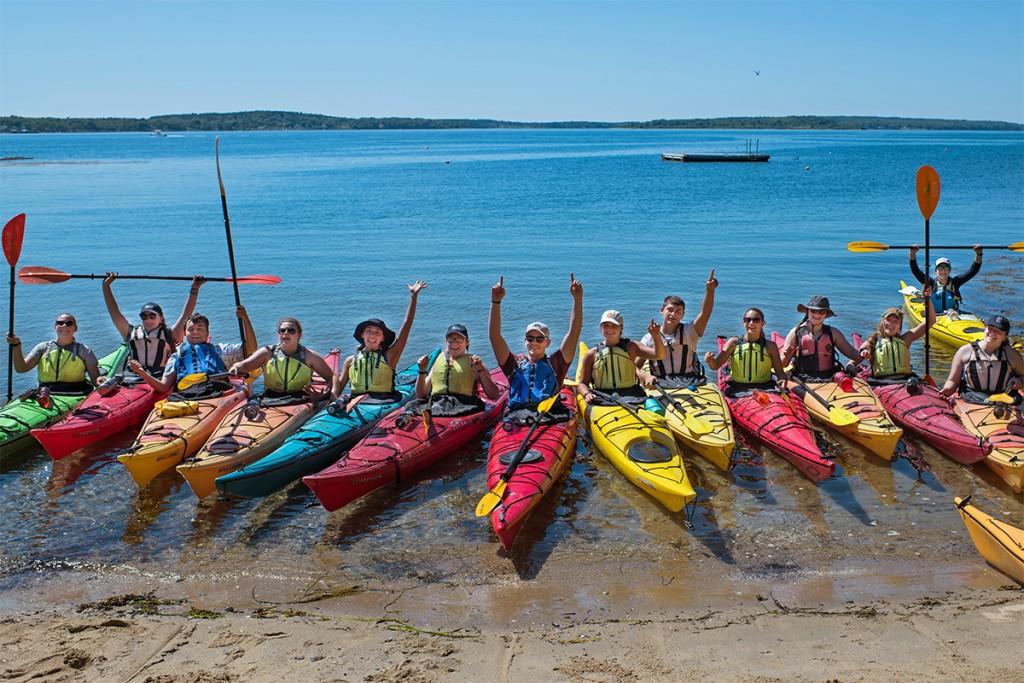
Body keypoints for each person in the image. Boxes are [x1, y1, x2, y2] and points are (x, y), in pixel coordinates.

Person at [489, 273, 583, 421]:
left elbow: (574, 333)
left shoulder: (557, 364)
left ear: (548, 343)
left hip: (549, 416)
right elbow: (494, 336)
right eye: (530, 338)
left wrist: (577, 299)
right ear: (525, 340)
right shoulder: (513, 365)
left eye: (539, 339)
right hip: (517, 417)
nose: (534, 342)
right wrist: (496, 302)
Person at [128, 306, 256, 397]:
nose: (195, 332)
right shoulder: (176, 356)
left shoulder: (220, 351)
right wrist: (141, 372)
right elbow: (163, 387)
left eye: (200, 328)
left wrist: (245, 319)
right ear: (185, 333)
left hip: (218, 393)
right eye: (191, 329)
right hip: (188, 396)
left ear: (207, 333)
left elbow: (251, 348)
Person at [335, 280, 426, 400]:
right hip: (356, 403)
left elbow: (406, 325)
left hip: (383, 402)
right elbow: (337, 392)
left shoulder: (390, 356)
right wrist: (322, 398)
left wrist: (413, 297)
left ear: (383, 338)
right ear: (362, 335)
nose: (372, 335)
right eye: (368, 331)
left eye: (377, 332)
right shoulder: (350, 361)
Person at [103, 272, 205, 375]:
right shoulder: (131, 332)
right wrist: (106, 287)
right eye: (144, 316)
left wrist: (194, 289)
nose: (148, 320)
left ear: (161, 318)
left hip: (160, 378)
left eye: (152, 316)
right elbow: (114, 312)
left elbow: (186, 314)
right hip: (133, 377)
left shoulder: (170, 335)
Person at [227, 317, 335, 401]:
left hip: (301, 398)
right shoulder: (267, 352)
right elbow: (245, 365)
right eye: (282, 330)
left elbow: (332, 378)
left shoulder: (310, 356)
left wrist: (324, 395)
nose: (286, 333)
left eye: (291, 331)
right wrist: (236, 367)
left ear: (299, 335)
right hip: (271, 397)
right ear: (279, 334)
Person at [640, 269, 717, 386]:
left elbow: (705, 313)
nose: (673, 314)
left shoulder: (689, 332)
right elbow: (634, 366)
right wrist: (645, 376)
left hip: (689, 381)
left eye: (678, 312)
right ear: (662, 311)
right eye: (670, 310)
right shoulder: (649, 337)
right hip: (660, 382)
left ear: (683, 315)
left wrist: (710, 290)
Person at [577, 310, 663, 404]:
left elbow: (659, 355)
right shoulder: (591, 354)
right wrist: (586, 394)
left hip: (633, 394)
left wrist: (656, 336)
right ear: (600, 328)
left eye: (614, 325)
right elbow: (582, 384)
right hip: (603, 396)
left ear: (621, 327)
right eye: (605, 325)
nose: (609, 329)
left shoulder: (631, 347)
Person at [414, 324, 499, 417]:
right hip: (436, 405)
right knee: (412, 406)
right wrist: (421, 371)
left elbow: (494, 395)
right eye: (451, 339)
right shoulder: (439, 359)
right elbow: (421, 395)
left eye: (459, 339)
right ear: (446, 342)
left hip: (463, 406)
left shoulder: (474, 362)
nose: (454, 343)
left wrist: (481, 371)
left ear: (467, 342)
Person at [7, 313, 101, 395]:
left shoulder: (84, 351)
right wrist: (17, 346)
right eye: (60, 323)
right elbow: (21, 369)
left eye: (69, 323)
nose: (64, 326)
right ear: (55, 327)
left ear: (75, 328)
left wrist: (100, 381)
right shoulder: (43, 348)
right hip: (46, 393)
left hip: (76, 393)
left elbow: (95, 379)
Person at [857, 286, 935, 384]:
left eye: (895, 321)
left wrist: (927, 299)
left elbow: (931, 321)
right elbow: (861, 350)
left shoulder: (906, 338)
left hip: (905, 380)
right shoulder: (874, 340)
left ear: (900, 325)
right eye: (888, 320)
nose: (891, 324)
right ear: (882, 322)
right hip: (881, 383)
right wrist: (864, 352)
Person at [940, 315, 1024, 404]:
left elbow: (1023, 377)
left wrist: (1020, 382)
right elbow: (953, 380)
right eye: (990, 328)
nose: (992, 333)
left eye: (997, 331)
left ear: (1004, 336)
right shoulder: (965, 351)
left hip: (1003, 399)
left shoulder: (1013, 356)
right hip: (972, 399)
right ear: (985, 329)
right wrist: (948, 389)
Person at [704, 307, 788, 395]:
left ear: (762, 323)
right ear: (743, 322)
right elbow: (715, 366)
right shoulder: (733, 343)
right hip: (737, 387)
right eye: (747, 320)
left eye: (756, 320)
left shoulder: (770, 346)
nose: (751, 323)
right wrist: (710, 360)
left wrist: (783, 380)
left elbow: (780, 373)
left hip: (765, 387)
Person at [779, 296, 861, 380]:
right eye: (813, 311)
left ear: (826, 314)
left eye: (821, 312)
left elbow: (855, 356)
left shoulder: (834, 333)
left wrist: (853, 362)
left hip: (829, 377)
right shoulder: (795, 333)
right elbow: (782, 364)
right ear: (808, 311)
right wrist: (786, 356)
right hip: (801, 378)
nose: (817, 315)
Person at [909, 244, 982, 315]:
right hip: (934, 316)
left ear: (950, 271)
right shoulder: (930, 283)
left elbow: (973, 271)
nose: (943, 271)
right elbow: (915, 271)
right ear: (936, 271)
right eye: (940, 269)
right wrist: (912, 253)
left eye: (946, 269)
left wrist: (978, 254)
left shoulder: (955, 283)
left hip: (952, 316)